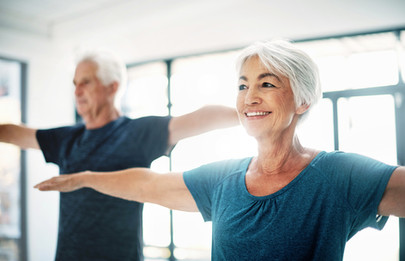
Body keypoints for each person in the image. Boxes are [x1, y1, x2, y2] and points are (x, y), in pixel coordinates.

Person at [34, 40, 405, 260]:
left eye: (267, 83)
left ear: (303, 100)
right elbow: (148, 184)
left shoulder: (339, 176)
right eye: (243, 86)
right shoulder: (225, 179)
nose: (250, 97)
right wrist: (84, 178)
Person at [0, 50, 240, 261]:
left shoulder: (137, 133)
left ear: (112, 87)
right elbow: (13, 133)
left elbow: (199, 119)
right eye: (75, 83)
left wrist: (254, 114)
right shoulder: (66, 139)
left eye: (86, 82)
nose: (77, 91)